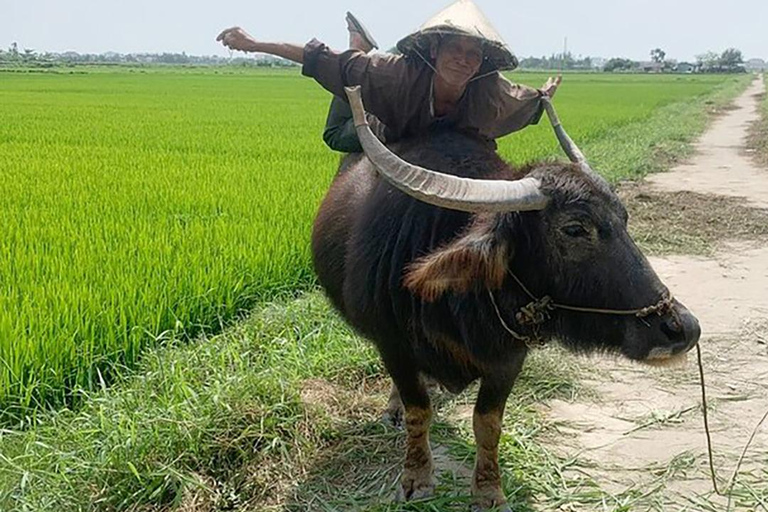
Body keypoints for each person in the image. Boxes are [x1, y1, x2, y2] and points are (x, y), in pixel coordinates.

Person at [216, 0, 561, 152]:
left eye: (473, 54)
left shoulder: (489, 92)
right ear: (433, 51)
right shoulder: (395, 74)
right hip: (389, 127)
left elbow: (522, 101)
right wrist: (254, 43)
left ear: (482, 63)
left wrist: (543, 96)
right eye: (455, 49)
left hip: (440, 143)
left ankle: (360, 51)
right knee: (337, 132)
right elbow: (317, 57)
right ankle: (360, 48)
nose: (464, 60)